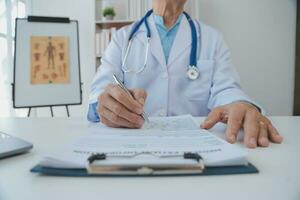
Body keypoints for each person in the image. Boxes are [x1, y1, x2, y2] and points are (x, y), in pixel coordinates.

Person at [88, 0, 283, 148]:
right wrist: (107, 105)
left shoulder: (211, 38)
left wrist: (240, 105)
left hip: (196, 146)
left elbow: (227, 89)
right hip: (133, 145)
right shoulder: (123, 38)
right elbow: (100, 93)